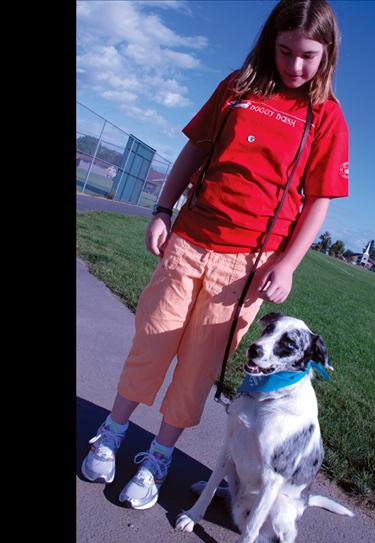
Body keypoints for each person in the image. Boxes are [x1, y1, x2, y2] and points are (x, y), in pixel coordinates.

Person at [81, 0, 349, 511]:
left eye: (308, 56)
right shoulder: (238, 86)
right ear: (271, 43)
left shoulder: (327, 118)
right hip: (188, 241)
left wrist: (286, 264)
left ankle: (158, 456)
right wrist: (162, 209)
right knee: (152, 342)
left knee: (199, 367)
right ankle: (112, 432)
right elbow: (195, 149)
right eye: (285, 51)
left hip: (246, 267)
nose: (295, 65)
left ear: (328, 54)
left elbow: (319, 202)